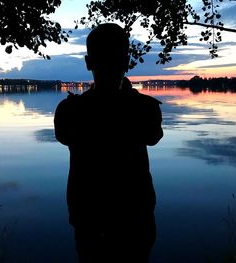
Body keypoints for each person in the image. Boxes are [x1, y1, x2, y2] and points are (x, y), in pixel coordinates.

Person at [54, 23, 163, 263]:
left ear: (88, 62)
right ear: (127, 62)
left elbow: (64, 136)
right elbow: (153, 136)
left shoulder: (69, 110)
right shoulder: (145, 108)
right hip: (135, 217)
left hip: (89, 218)